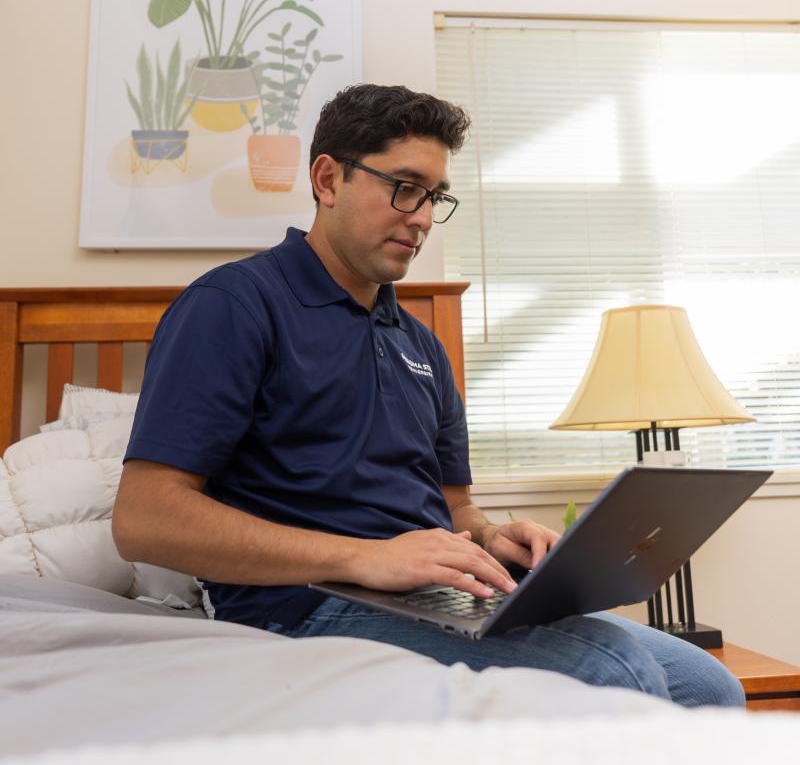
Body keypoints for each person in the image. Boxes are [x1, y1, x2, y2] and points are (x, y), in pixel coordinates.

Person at [113, 83, 743, 708]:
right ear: (328, 180)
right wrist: (366, 559)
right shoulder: (233, 306)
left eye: (434, 197)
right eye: (404, 187)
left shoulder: (420, 342)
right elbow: (144, 519)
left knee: (711, 687)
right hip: (301, 606)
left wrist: (495, 540)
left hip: (434, 595)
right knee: (620, 675)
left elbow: (456, 512)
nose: (420, 218)